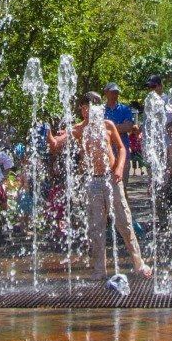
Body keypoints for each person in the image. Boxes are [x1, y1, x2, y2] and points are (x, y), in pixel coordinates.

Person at [54, 92, 152, 281]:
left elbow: (122, 148)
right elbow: (59, 142)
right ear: (81, 110)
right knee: (96, 227)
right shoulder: (78, 129)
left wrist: (120, 167)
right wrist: (52, 138)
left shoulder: (107, 125)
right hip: (93, 181)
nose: (87, 111)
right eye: (84, 108)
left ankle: (139, 263)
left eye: (91, 107)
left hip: (111, 179)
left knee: (124, 223)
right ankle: (99, 268)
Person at [102, 85, 138, 176]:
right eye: (113, 92)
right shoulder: (100, 110)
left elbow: (128, 127)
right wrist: (120, 126)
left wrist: (109, 128)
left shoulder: (125, 109)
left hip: (122, 151)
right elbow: (98, 128)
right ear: (106, 93)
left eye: (117, 92)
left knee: (122, 181)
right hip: (105, 152)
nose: (115, 95)